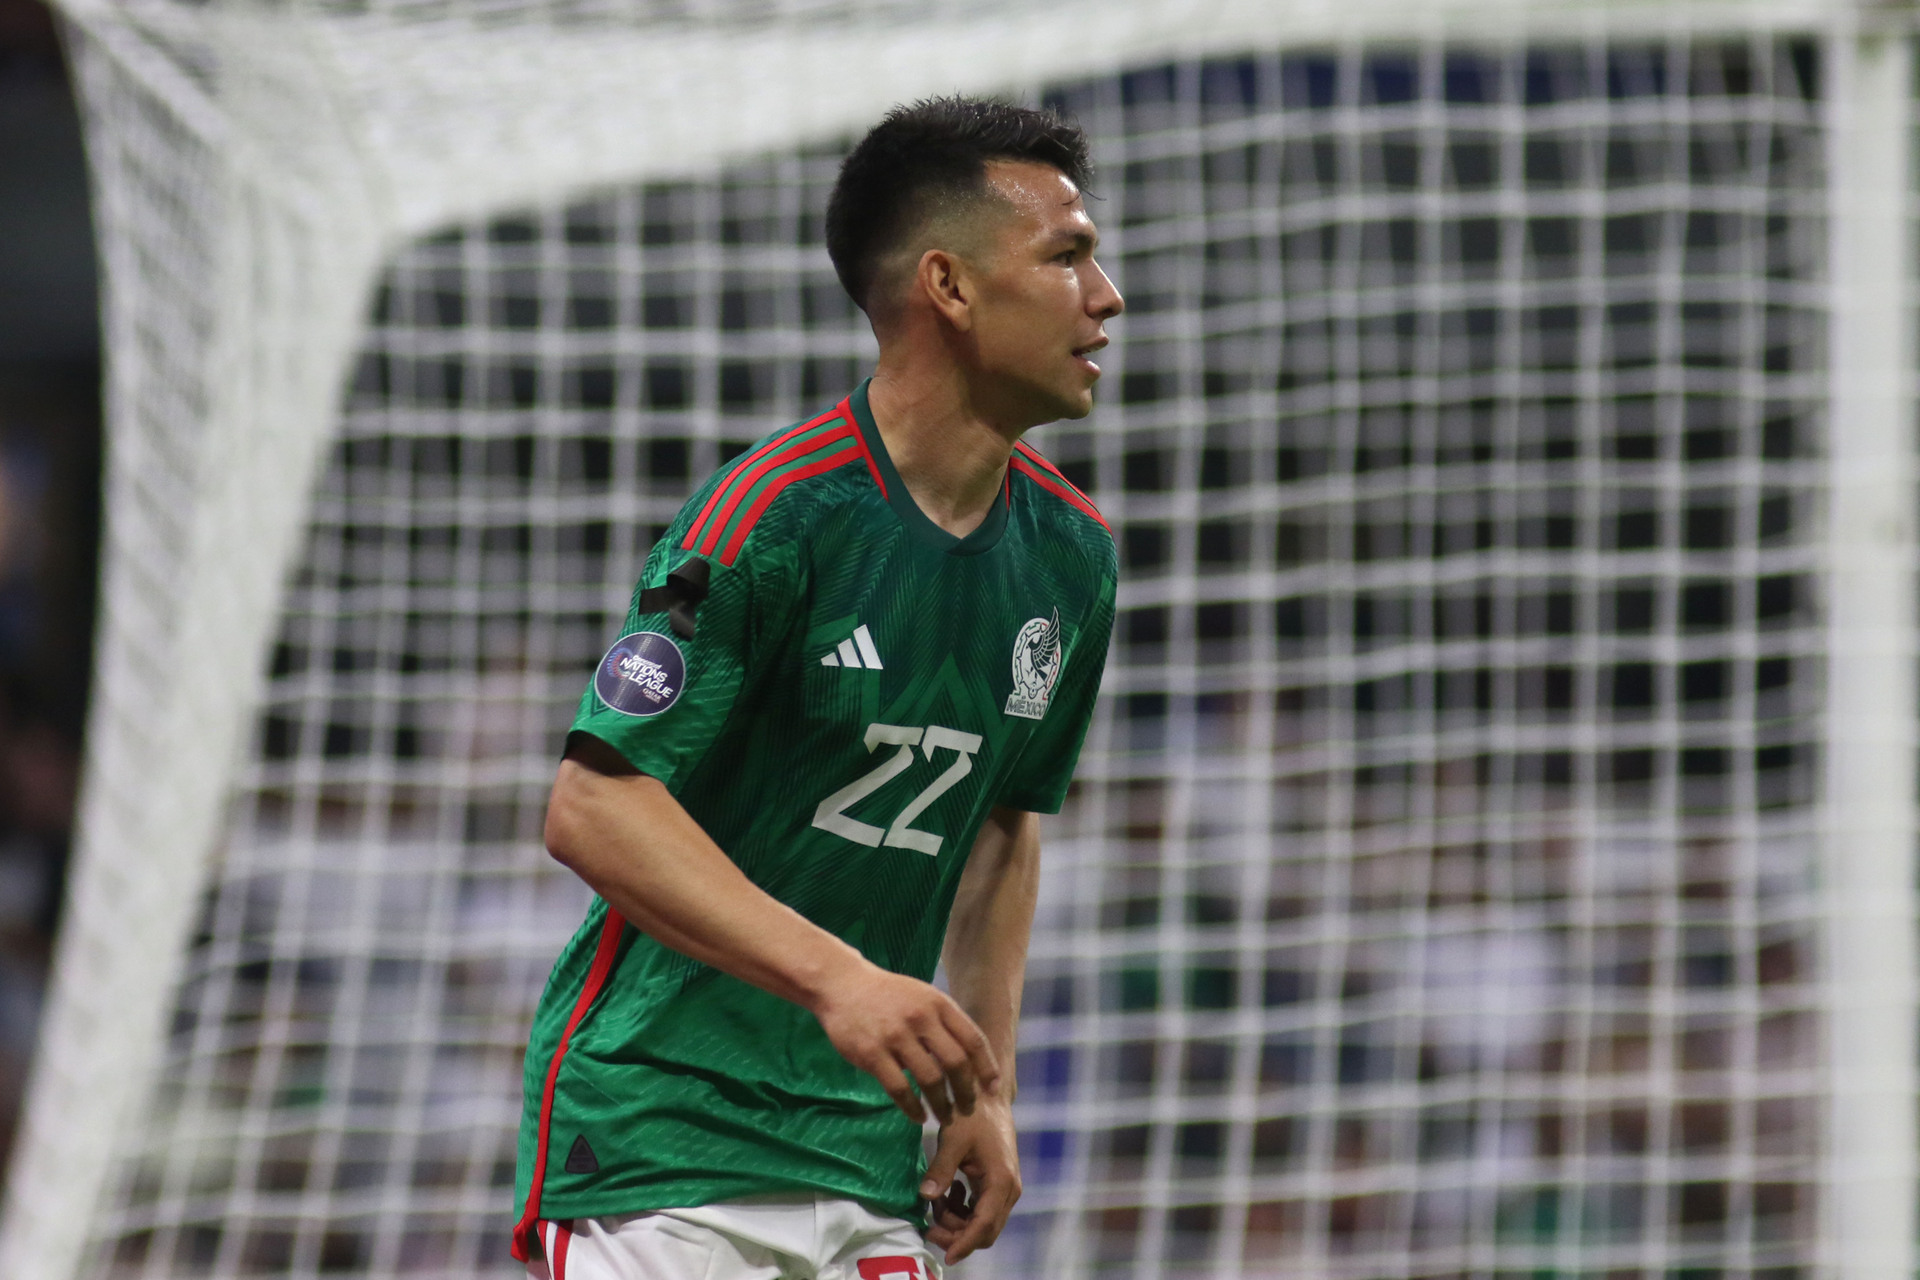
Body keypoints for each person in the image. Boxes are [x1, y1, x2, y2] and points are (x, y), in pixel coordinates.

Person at [511, 96, 1124, 1280]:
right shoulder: (775, 514)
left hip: (870, 1157)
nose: (1106, 298)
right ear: (948, 285)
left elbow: (1004, 827)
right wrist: (842, 979)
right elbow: (593, 806)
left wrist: (985, 1090)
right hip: (664, 1137)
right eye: (1067, 256)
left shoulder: (1072, 556)